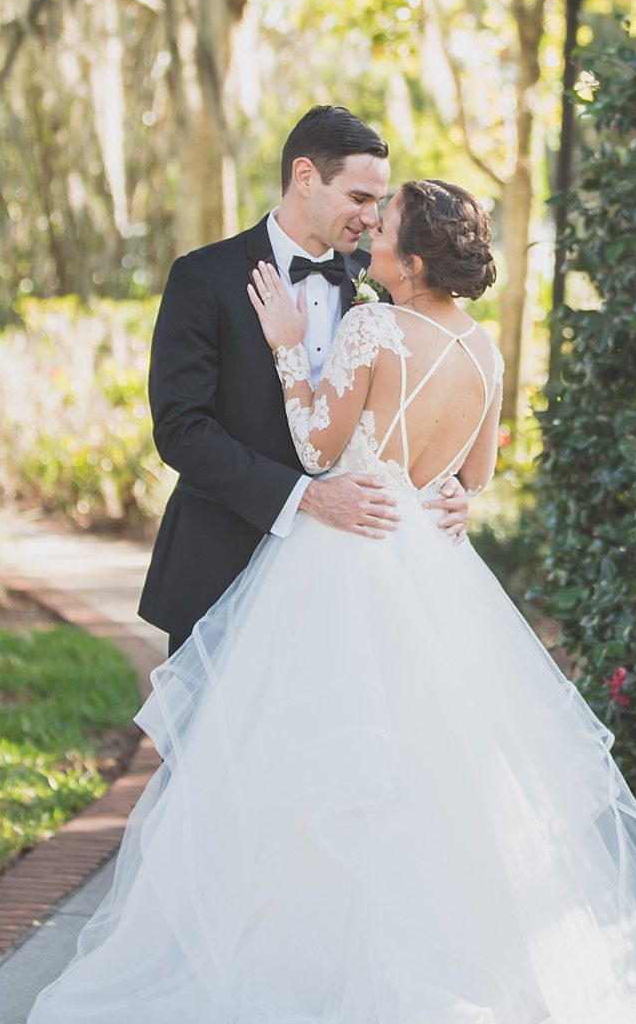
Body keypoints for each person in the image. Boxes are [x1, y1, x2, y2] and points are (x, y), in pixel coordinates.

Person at [17, 177, 636, 1024]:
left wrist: (286, 349)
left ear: (409, 260)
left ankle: (304, 994)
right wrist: (437, 492)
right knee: (432, 786)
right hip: (434, 571)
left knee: (307, 774)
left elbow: (320, 445)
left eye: (385, 231)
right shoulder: (485, 351)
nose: (370, 242)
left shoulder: (369, 330)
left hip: (342, 565)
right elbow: (475, 477)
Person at [136, 104, 471, 654]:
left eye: (379, 203)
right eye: (359, 198)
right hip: (223, 563)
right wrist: (307, 498)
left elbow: (422, 398)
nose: (371, 218)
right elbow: (181, 429)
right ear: (306, 177)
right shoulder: (204, 277)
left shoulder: (382, 281)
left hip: (347, 581)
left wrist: (447, 486)